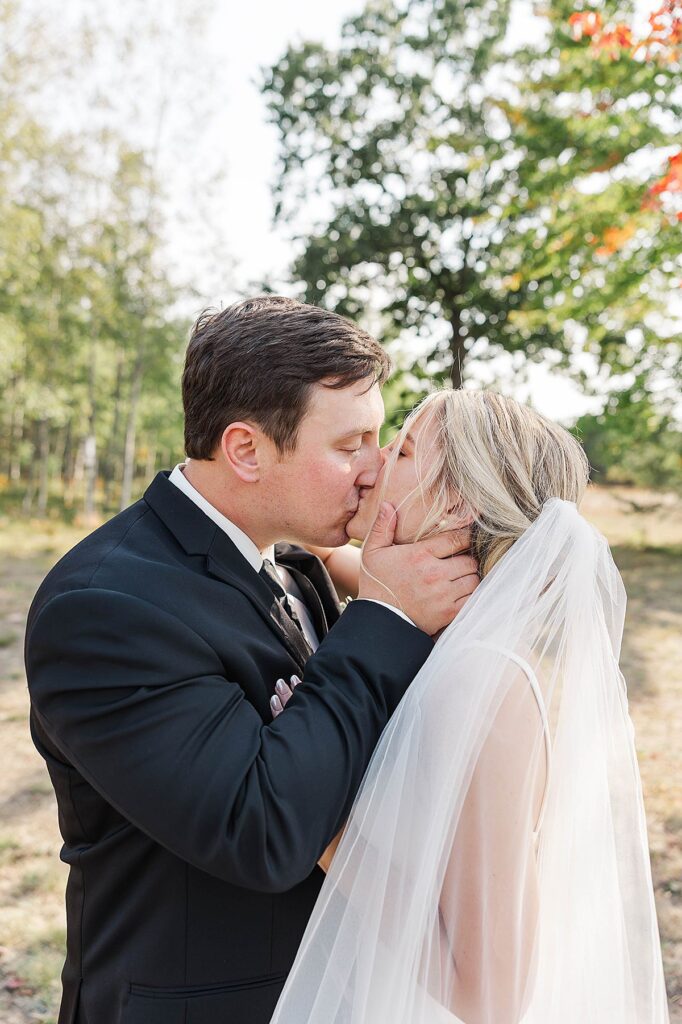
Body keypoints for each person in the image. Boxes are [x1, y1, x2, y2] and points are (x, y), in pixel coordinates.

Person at [23, 297, 479, 1024]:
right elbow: (262, 833)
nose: (375, 469)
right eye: (350, 445)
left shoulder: (295, 565)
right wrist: (387, 617)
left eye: (380, 438)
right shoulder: (105, 608)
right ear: (245, 450)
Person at [270, 389, 670, 1024]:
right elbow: (351, 567)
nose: (374, 461)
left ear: (455, 504)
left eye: (402, 450)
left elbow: (490, 996)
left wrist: (325, 828)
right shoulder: (432, 633)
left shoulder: (483, 685)